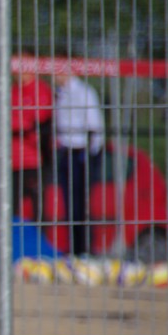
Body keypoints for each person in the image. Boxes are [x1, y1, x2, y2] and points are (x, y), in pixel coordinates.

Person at [0, 59, 54, 222]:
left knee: (38, 212)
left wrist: (4, 120)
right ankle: (12, 239)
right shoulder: (10, 91)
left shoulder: (41, 90)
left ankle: (38, 238)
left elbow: (34, 122)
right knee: (9, 210)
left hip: (34, 162)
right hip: (9, 162)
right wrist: (12, 121)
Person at [53, 69, 105, 254]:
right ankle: (74, 249)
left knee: (82, 206)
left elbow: (95, 125)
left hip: (82, 152)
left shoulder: (84, 92)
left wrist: (90, 156)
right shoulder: (60, 94)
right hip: (66, 152)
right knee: (70, 206)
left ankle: (85, 250)